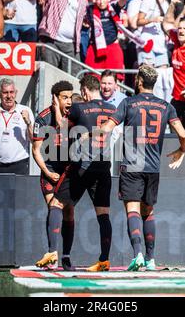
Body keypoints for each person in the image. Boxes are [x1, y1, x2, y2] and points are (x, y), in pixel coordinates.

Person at [96, 65, 185, 271]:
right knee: (148, 211)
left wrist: (88, 134)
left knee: (133, 210)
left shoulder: (128, 103)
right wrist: (181, 150)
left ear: (138, 81)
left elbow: (107, 129)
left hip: (132, 164)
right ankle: (150, 259)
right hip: (153, 167)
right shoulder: (166, 106)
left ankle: (137, 255)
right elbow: (183, 134)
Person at [36, 75, 116, 272]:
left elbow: (62, 132)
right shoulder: (113, 109)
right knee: (103, 214)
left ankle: (53, 251)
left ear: (85, 91)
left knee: (56, 204)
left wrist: (58, 112)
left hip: (82, 166)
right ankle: (104, 260)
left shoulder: (80, 108)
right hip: (104, 167)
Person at [32, 81, 76, 270]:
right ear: (55, 98)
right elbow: (36, 151)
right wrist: (47, 172)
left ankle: (66, 256)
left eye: (70, 97)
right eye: (64, 97)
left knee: (69, 212)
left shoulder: (74, 115)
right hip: (49, 170)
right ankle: (52, 254)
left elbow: (64, 128)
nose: (68, 101)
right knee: (53, 207)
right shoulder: (42, 118)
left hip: (68, 171)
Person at [0, 78, 34, 174]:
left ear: (16, 93)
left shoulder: (26, 110)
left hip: (20, 165)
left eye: (11, 92)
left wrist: (28, 123)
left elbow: (34, 140)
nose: (9, 96)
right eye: (5, 92)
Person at [38, 0, 88, 76]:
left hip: (71, 44)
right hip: (51, 40)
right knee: (48, 75)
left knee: (75, 76)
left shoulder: (83, 0)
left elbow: (85, 17)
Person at [84, 0, 127, 81]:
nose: (101, 2)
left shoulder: (114, 7)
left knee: (115, 80)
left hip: (112, 47)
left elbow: (123, 0)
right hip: (95, 49)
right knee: (93, 79)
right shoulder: (90, 9)